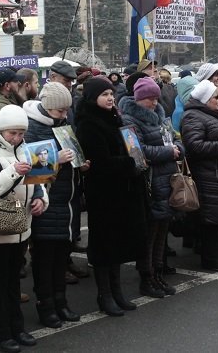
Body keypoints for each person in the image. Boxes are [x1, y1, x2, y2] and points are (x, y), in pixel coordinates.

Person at [0, 105, 49, 352]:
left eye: (20, 133)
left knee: (13, 282)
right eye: (12, 133)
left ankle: (17, 328)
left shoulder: (25, 147)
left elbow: (38, 180)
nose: (16, 138)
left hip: (21, 226)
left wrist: (40, 199)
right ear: (1, 129)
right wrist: (12, 172)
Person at [75, 77, 147, 317]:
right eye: (104, 94)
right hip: (103, 193)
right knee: (104, 245)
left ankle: (117, 292)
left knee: (117, 243)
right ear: (93, 97)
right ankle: (104, 295)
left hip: (121, 191)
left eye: (111, 94)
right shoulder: (88, 123)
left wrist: (134, 157)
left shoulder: (114, 118)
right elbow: (100, 162)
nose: (110, 98)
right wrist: (130, 161)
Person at [25, 82, 84, 329]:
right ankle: (46, 305)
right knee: (44, 258)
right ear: (47, 107)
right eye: (60, 111)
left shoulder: (63, 125)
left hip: (66, 201)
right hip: (46, 203)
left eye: (66, 110)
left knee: (61, 256)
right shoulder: (32, 128)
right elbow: (29, 170)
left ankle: (61, 302)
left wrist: (81, 162)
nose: (64, 115)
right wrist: (56, 161)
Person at [120, 76, 182, 296]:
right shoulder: (129, 120)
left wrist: (177, 148)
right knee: (150, 233)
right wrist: (169, 152)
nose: (154, 103)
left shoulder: (160, 116)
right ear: (138, 98)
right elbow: (136, 151)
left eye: (156, 98)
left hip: (167, 180)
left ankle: (158, 274)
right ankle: (147, 277)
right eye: (149, 99)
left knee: (162, 230)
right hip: (149, 183)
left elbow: (174, 138)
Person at [182, 80, 218, 270]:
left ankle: (217, 255)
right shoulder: (193, 116)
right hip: (206, 174)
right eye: (215, 97)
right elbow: (194, 146)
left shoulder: (212, 114)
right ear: (205, 99)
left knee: (217, 218)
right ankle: (210, 258)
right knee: (210, 219)